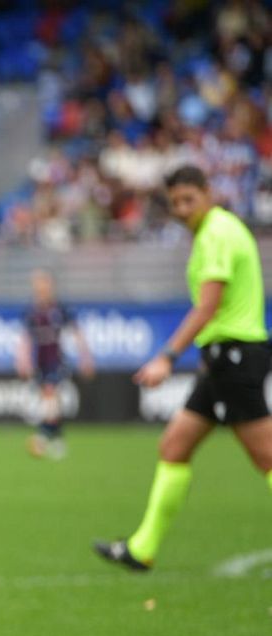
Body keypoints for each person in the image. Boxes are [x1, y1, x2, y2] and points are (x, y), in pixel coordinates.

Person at [95, 165, 270, 571]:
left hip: (234, 356)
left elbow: (208, 306)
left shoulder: (216, 234)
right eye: (175, 202)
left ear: (209, 192)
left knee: (267, 458)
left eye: (189, 199)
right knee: (174, 446)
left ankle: (143, 548)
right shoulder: (217, 231)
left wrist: (166, 357)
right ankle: (143, 549)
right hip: (224, 358)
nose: (182, 209)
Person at [15, 268, 95, 459]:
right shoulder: (31, 312)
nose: (41, 288)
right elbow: (25, 338)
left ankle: (42, 436)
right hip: (39, 362)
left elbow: (77, 332)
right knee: (50, 401)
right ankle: (58, 439)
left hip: (56, 360)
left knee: (50, 393)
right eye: (38, 285)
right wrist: (23, 360)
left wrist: (85, 357)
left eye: (44, 284)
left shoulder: (60, 309)